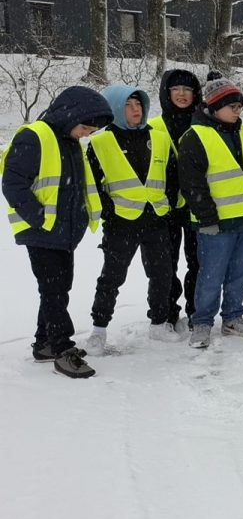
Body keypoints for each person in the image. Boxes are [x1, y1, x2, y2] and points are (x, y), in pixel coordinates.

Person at [2, 86, 111, 378]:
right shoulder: (34, 136)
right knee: (53, 290)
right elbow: (12, 182)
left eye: (91, 130)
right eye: (85, 127)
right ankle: (63, 350)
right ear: (69, 115)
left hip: (63, 231)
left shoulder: (69, 140)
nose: (87, 134)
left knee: (58, 288)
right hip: (42, 231)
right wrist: (37, 217)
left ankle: (44, 342)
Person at [82, 84, 179, 355]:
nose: (136, 110)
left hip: (156, 217)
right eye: (128, 105)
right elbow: (92, 184)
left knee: (162, 273)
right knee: (111, 277)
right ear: (114, 108)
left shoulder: (158, 137)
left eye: (138, 104)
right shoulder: (100, 143)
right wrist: (109, 212)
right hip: (121, 222)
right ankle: (99, 330)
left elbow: (172, 176)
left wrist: (167, 204)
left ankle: (159, 323)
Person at [179, 76, 243, 348]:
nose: (237, 111)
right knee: (211, 275)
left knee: (239, 273)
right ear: (214, 107)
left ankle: (233, 317)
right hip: (215, 225)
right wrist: (207, 217)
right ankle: (202, 323)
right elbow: (191, 182)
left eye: (239, 106)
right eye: (231, 106)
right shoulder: (195, 136)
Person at [149, 69, 202, 329]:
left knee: (198, 262)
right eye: (176, 89)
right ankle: (168, 312)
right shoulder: (154, 127)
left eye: (188, 89)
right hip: (165, 208)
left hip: (196, 206)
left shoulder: (202, 124)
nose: (182, 94)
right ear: (166, 93)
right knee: (166, 264)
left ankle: (195, 310)